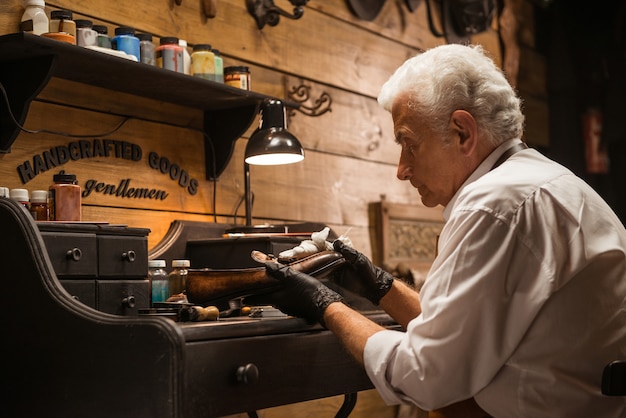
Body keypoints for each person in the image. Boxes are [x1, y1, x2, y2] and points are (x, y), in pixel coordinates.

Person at [253, 44, 626, 417]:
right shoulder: (544, 181)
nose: (402, 169)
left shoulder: (493, 205)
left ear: (462, 132)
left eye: (409, 145)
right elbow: (458, 336)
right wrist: (377, 284)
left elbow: (424, 376)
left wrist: (323, 305)